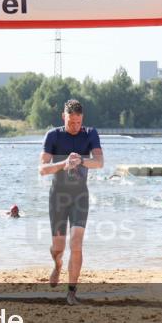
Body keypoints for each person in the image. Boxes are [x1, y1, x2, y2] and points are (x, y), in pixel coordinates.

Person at [39, 99, 104, 306]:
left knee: (76, 243)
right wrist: (64, 163)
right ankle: (57, 265)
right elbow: (42, 169)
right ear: (63, 117)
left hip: (80, 197)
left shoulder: (90, 134)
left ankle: (71, 292)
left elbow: (100, 163)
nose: (75, 127)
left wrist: (82, 161)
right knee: (58, 248)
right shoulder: (53, 135)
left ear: (82, 119)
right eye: (71, 122)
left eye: (78, 122)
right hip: (58, 197)